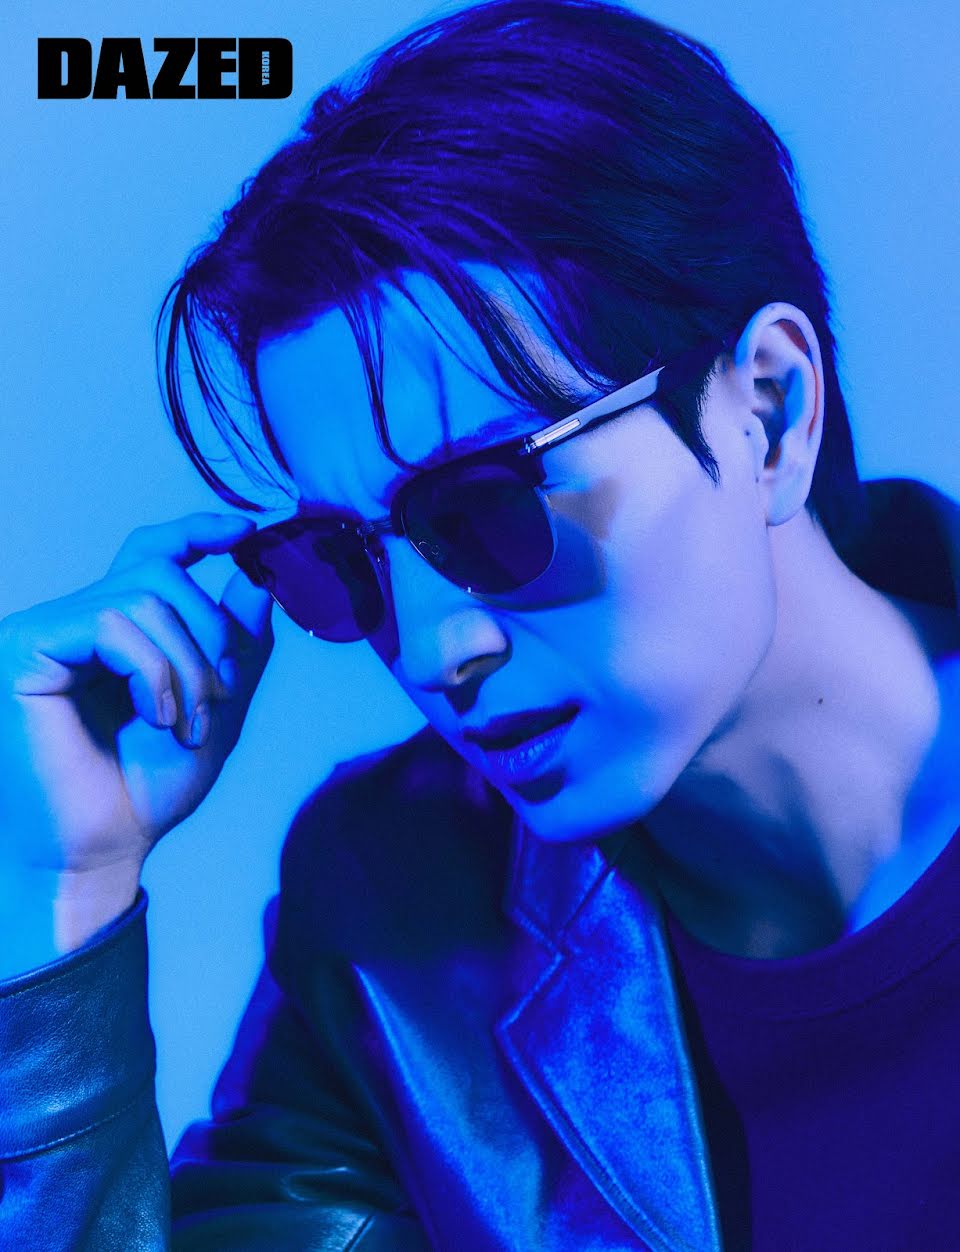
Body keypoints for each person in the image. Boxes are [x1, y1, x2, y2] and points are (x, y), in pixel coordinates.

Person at [1, 0, 958, 1247]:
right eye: (343, 563)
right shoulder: (393, 920)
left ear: (767, 412)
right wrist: (61, 897)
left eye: (490, 510)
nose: (433, 648)